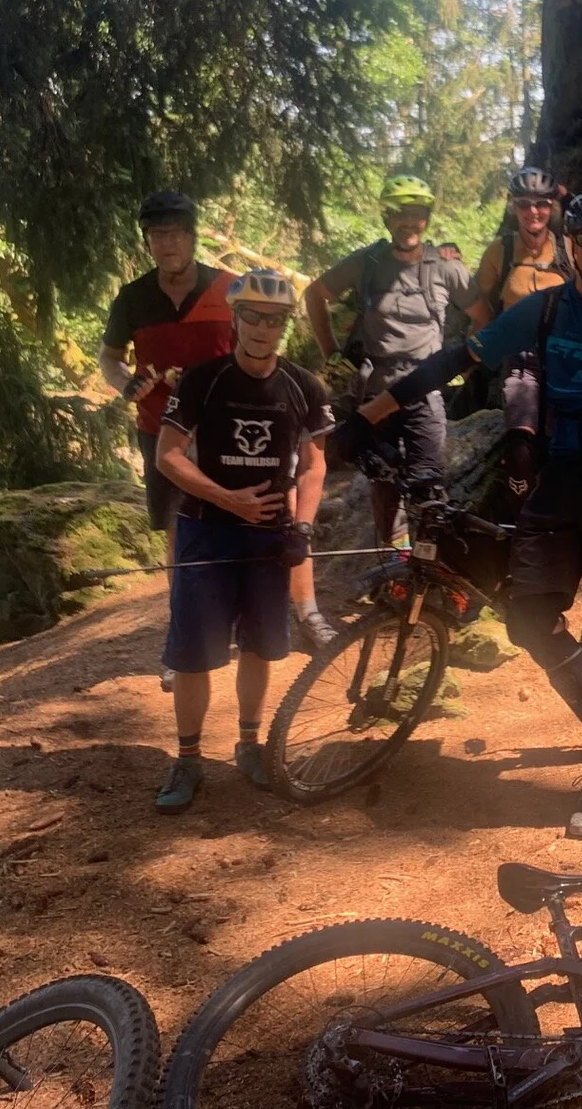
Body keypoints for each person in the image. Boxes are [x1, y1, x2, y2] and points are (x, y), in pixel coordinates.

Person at [330, 193, 582, 839]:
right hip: (564, 478)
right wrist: (367, 417)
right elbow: (448, 361)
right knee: (526, 617)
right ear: (572, 244)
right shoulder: (544, 310)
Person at [101, 195, 310, 688]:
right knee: (179, 538)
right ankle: (183, 645)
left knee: (259, 522)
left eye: (175, 233)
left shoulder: (226, 288)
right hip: (162, 432)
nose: (167, 243)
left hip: (230, 433)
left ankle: (291, 618)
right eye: (157, 236)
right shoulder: (132, 297)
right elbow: (110, 358)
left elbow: (258, 344)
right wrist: (126, 384)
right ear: (147, 242)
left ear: (193, 236)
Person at [151, 269, 334, 813]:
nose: (262, 328)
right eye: (252, 316)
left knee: (260, 646)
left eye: (274, 319)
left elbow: (314, 464)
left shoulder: (304, 385)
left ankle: (250, 745)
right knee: (193, 655)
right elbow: (168, 455)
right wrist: (230, 501)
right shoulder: (203, 380)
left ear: (285, 325)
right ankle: (187, 758)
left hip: (269, 540)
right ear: (236, 318)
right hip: (206, 532)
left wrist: (301, 527)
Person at [304, 173, 473, 546]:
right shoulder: (367, 262)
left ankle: (428, 576)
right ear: (386, 218)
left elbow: (486, 318)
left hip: (425, 388)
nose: (408, 221)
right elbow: (314, 294)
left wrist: (464, 362)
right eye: (399, 213)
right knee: (384, 479)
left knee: (427, 484)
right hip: (375, 389)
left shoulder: (447, 267)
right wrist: (332, 352)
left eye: (416, 213)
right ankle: (397, 565)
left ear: (427, 218)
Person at [468, 166, 572, 513]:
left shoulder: (568, 249)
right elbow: (476, 303)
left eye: (541, 204)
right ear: (514, 207)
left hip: (563, 359)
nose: (533, 212)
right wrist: (480, 350)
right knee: (520, 445)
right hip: (519, 358)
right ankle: (522, 519)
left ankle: (562, 519)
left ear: (551, 208)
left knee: (565, 442)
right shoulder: (500, 250)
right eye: (525, 204)